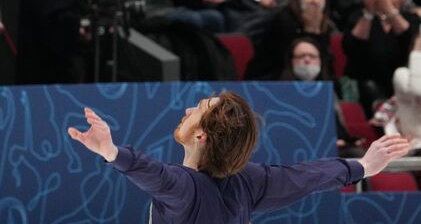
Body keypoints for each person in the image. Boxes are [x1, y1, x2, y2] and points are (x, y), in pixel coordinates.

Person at [67, 91, 410, 224]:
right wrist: (362, 166)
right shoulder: (249, 182)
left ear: (200, 137)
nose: (187, 109)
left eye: (197, 110)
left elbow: (152, 173)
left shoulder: (186, 189)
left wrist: (111, 152)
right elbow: (305, 176)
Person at [343, 0, 420, 116]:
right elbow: (351, 47)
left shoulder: (411, 19)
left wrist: (390, 11)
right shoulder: (359, 16)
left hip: (401, 88)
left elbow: (409, 42)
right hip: (365, 86)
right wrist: (369, 13)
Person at [246, 0, 335, 79]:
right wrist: (310, 31)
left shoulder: (324, 24)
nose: (315, 1)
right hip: (272, 79)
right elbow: (288, 60)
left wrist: (316, 32)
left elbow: (325, 65)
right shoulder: (282, 20)